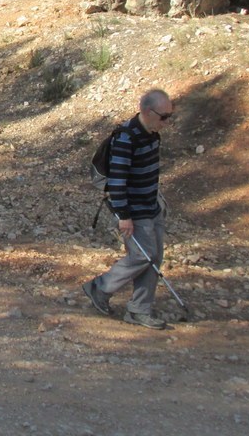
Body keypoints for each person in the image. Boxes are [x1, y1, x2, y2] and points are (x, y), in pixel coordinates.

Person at [82, 89, 175, 330]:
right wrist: (124, 216)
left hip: (151, 206)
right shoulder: (126, 138)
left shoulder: (152, 134)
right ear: (147, 111)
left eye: (170, 116)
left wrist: (158, 200)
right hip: (133, 210)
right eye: (164, 117)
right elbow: (118, 181)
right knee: (142, 256)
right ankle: (100, 287)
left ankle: (139, 310)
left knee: (154, 257)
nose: (167, 122)